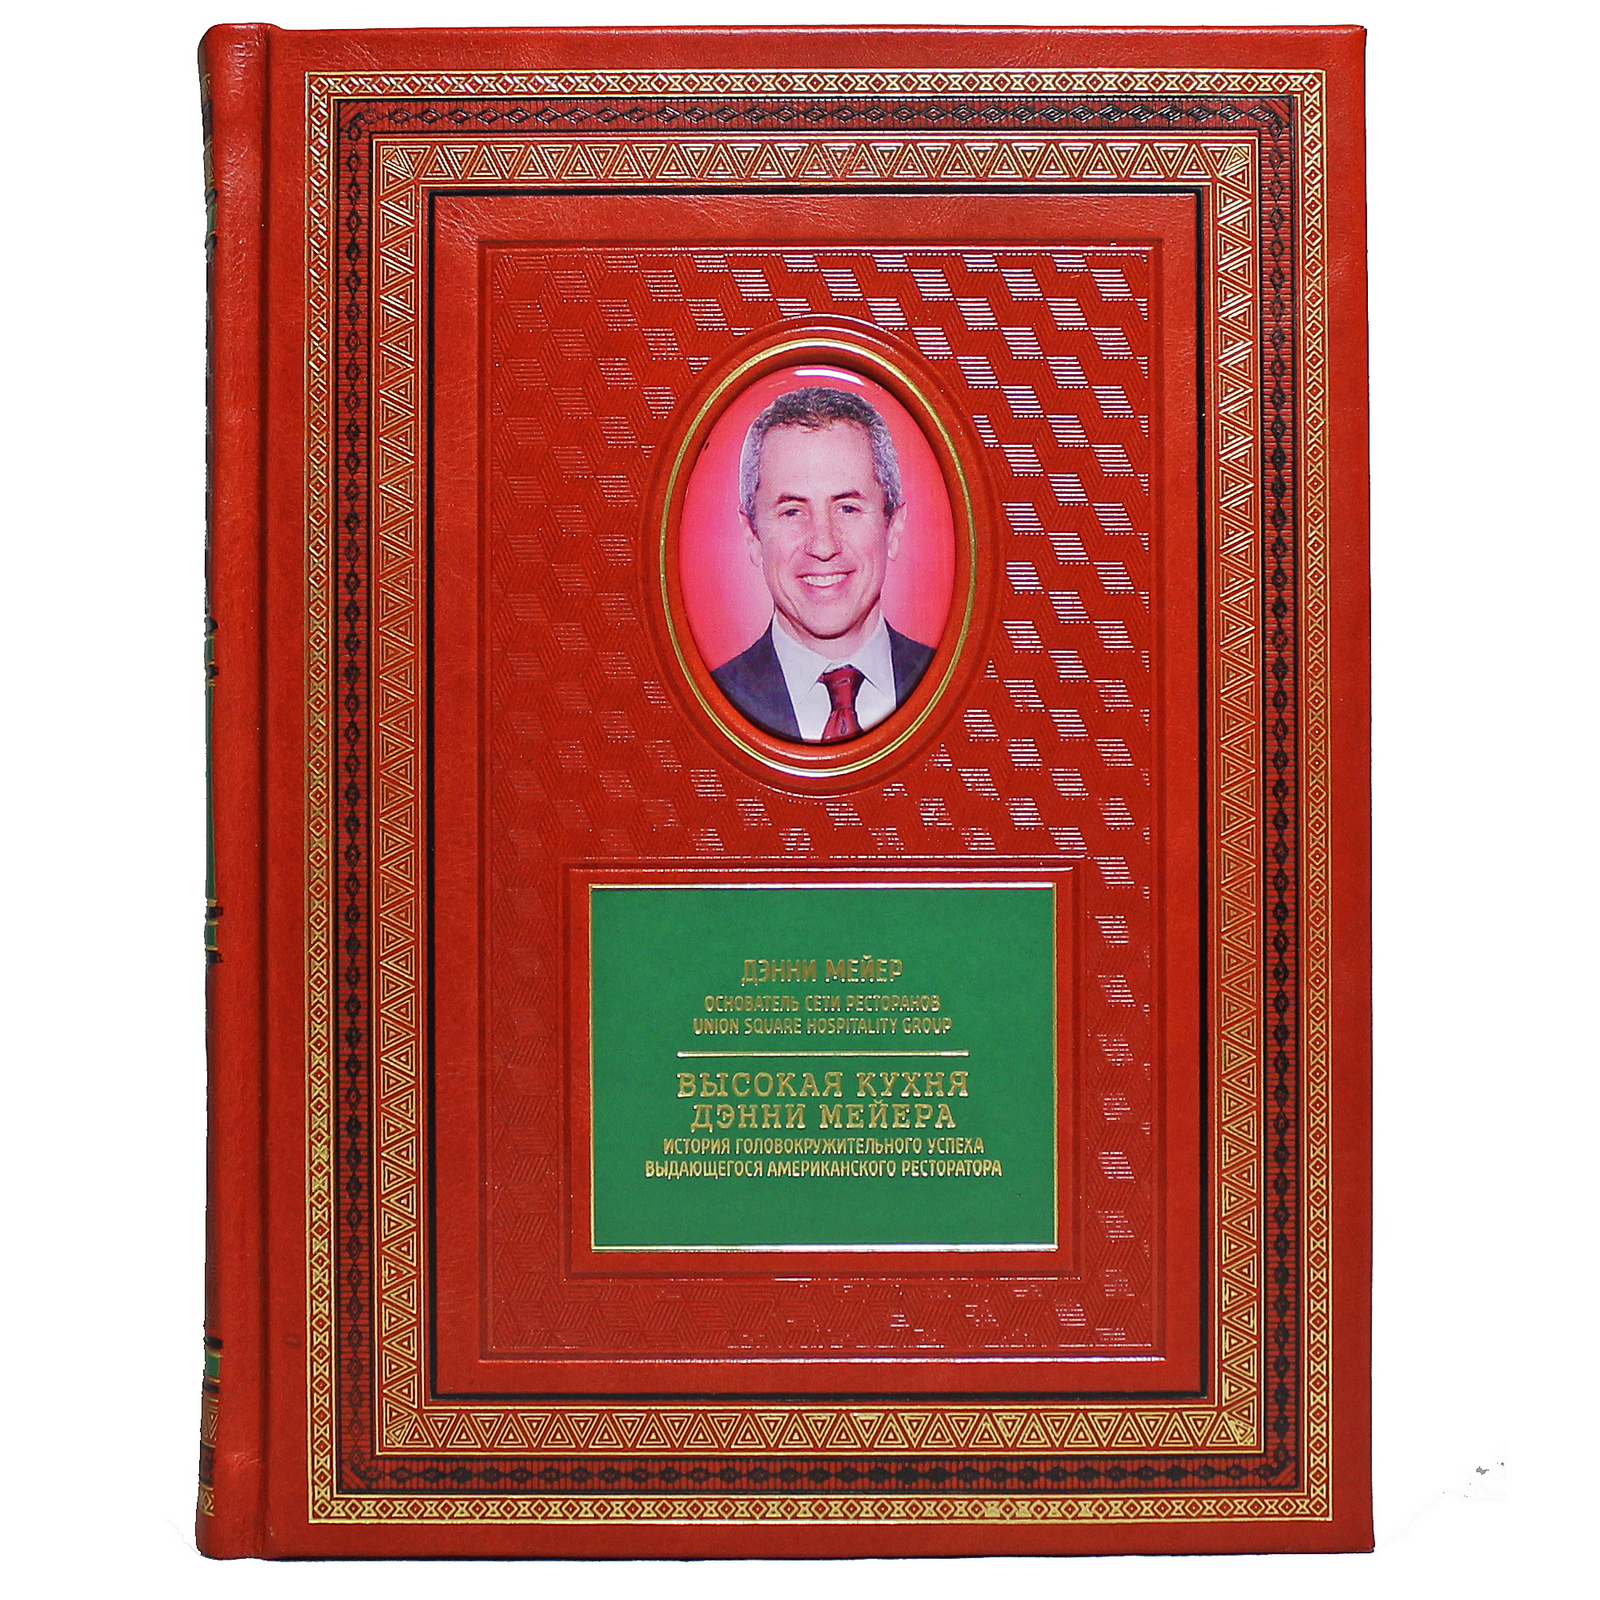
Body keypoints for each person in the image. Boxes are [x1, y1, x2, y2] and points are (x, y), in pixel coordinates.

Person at [711, 386, 935, 743]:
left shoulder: (958, 686)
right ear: (752, 536)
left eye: (847, 508)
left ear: (893, 527)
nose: (823, 545)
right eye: (792, 511)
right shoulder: (707, 702)